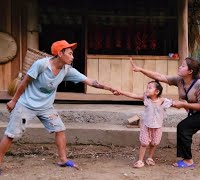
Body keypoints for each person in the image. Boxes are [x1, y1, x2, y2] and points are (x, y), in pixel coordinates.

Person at [0, 40, 116, 172]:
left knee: (59, 129)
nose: (73, 57)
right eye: (70, 53)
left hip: (46, 107)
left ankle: (63, 159)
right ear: (60, 53)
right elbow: (24, 82)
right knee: (11, 134)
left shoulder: (67, 70)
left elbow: (90, 81)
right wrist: (14, 101)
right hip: (26, 104)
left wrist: (109, 88)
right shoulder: (41, 65)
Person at [130, 57, 200, 168]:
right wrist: (140, 69)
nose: (180, 66)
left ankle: (188, 160)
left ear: (190, 71)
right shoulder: (180, 80)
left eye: (183, 66)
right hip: (199, 112)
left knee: (184, 127)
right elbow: (160, 76)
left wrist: (183, 104)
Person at [115, 80, 172, 168]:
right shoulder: (146, 99)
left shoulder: (163, 101)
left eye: (150, 88)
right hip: (146, 125)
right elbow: (133, 95)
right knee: (144, 143)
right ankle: (140, 160)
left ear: (157, 92)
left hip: (157, 126)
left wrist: (186, 106)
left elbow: (176, 104)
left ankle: (150, 158)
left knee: (154, 143)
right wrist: (121, 92)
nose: (147, 90)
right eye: (147, 88)